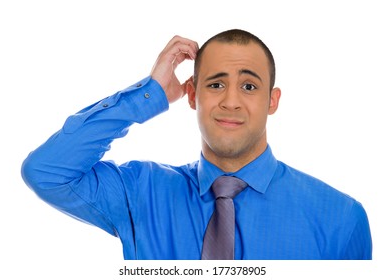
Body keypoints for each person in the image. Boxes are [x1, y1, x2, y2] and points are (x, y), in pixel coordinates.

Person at [21, 29, 372, 260]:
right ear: (192, 95)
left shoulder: (341, 219)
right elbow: (47, 172)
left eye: (249, 87)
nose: (231, 102)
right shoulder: (142, 193)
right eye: (216, 85)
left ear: (272, 101)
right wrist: (150, 94)